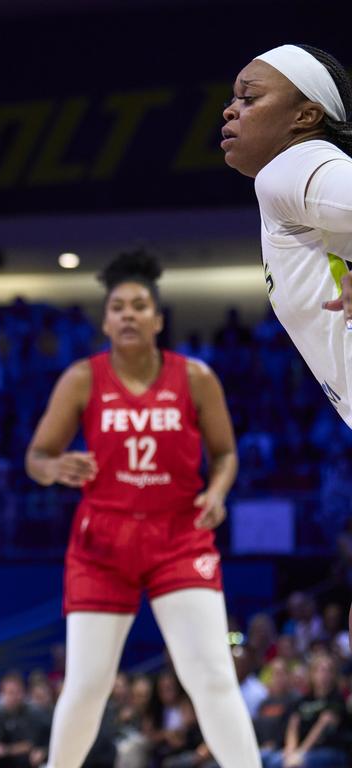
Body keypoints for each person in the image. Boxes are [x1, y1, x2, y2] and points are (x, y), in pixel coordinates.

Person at [25, 251, 260, 767]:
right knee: (87, 685)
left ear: (158, 317)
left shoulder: (196, 377)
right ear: (106, 320)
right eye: (118, 307)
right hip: (102, 540)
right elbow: (36, 458)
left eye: (139, 306)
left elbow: (225, 454)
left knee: (212, 676)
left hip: (179, 534)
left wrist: (217, 492)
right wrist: (55, 467)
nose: (128, 314)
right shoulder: (81, 380)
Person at [222, 43, 352, 636]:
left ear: (305, 115)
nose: (231, 110)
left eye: (250, 98)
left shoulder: (292, 168)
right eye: (233, 98)